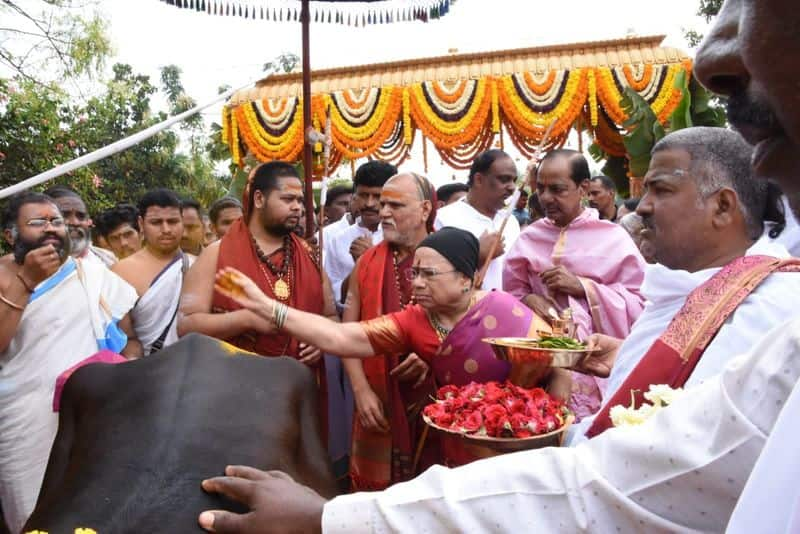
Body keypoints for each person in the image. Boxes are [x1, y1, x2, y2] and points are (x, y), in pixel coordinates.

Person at [194, 2, 800, 531]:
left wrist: (558, 411)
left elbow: (586, 443)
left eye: (432, 273)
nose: (639, 205)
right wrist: (266, 307)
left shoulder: (505, 316)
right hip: (471, 472)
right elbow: (342, 332)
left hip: (516, 469)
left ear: (468, 277)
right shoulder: (410, 314)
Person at [569, 127, 800, 442]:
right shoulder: (684, 289)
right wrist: (632, 356)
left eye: (661, 190)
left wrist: (562, 441)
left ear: (722, 207)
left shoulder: (769, 308)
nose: (643, 207)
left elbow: (687, 452)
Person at [0, 191, 140, 532]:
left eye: (56, 222)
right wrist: (27, 282)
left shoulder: (91, 274)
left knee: (97, 507)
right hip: (24, 417)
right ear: (10, 234)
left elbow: (130, 340)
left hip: (93, 412)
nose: (51, 229)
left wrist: (122, 371)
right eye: (38, 222)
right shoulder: (3, 274)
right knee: (31, 514)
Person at [503, 149, 646, 419]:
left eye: (557, 189)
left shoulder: (613, 238)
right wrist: (529, 301)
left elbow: (641, 303)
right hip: (537, 369)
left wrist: (584, 288)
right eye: (541, 188)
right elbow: (510, 297)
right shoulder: (528, 238)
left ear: (583, 188)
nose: (545, 198)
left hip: (597, 366)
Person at [178, 161, 337, 362]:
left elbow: (331, 316)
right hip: (237, 382)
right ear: (259, 199)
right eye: (288, 199)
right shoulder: (217, 253)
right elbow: (186, 325)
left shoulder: (309, 254)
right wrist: (246, 319)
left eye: (299, 200)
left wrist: (321, 340)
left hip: (302, 384)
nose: (297, 207)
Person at [341, 172, 438, 491]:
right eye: (383, 204)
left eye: (396, 205)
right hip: (377, 399)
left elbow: (466, 326)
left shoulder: (448, 258)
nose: (383, 212)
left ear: (425, 209)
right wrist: (361, 391)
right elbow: (347, 331)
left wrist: (432, 356)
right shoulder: (366, 263)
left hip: (434, 401)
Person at [112, 189, 192, 356]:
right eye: (156, 222)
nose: (166, 229)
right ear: (141, 224)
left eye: (173, 221)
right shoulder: (121, 272)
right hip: (146, 371)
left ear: (182, 222)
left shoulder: (199, 265)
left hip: (196, 366)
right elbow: (124, 338)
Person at [435, 149, 520, 291]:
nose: (512, 187)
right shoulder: (444, 218)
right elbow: (434, 274)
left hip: (512, 309)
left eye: (514, 180)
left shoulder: (510, 220)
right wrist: (477, 254)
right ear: (479, 180)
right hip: (467, 311)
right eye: (504, 179)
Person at [325, 161, 395, 304]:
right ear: (354, 196)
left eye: (377, 196)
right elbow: (333, 297)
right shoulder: (339, 240)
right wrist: (361, 266)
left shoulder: (402, 236)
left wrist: (372, 259)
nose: (369, 203)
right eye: (363, 195)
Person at [43, 185, 117, 268]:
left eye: (81, 216)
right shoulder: (30, 267)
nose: (75, 222)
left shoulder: (108, 260)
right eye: (64, 215)